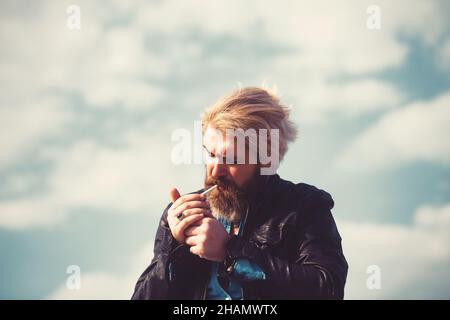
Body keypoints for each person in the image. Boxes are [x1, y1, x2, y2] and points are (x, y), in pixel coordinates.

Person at [132, 87, 348, 300]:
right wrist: (174, 248)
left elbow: (328, 289)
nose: (215, 170)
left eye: (232, 159)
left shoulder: (305, 206)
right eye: (211, 154)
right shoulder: (181, 213)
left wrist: (229, 251)